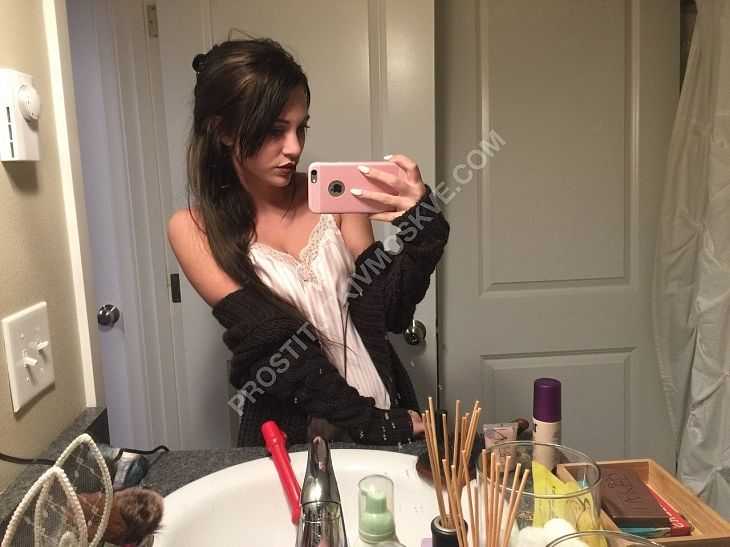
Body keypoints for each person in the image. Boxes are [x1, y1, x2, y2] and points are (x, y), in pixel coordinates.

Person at [167, 37, 449, 447]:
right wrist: (370, 422)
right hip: (295, 437)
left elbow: (387, 310)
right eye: (275, 130)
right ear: (224, 130)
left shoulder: (333, 199)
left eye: (301, 128)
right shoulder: (194, 229)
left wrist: (424, 229)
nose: (295, 147)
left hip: (383, 411)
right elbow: (275, 347)